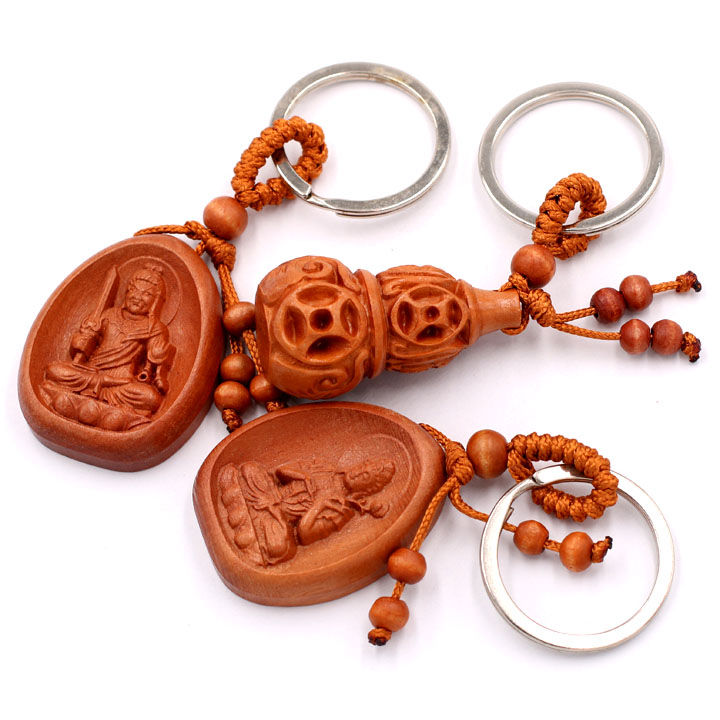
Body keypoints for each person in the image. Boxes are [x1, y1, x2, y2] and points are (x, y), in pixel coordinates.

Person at [43, 264, 173, 428]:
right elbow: (85, 347)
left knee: (151, 398)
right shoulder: (109, 314)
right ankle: (108, 410)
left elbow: (155, 363)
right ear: (127, 292)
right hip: (91, 372)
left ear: (155, 302)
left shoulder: (154, 328)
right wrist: (82, 339)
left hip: (122, 383)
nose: (138, 297)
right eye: (134, 290)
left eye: (146, 294)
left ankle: (78, 402)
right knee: (54, 370)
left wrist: (157, 367)